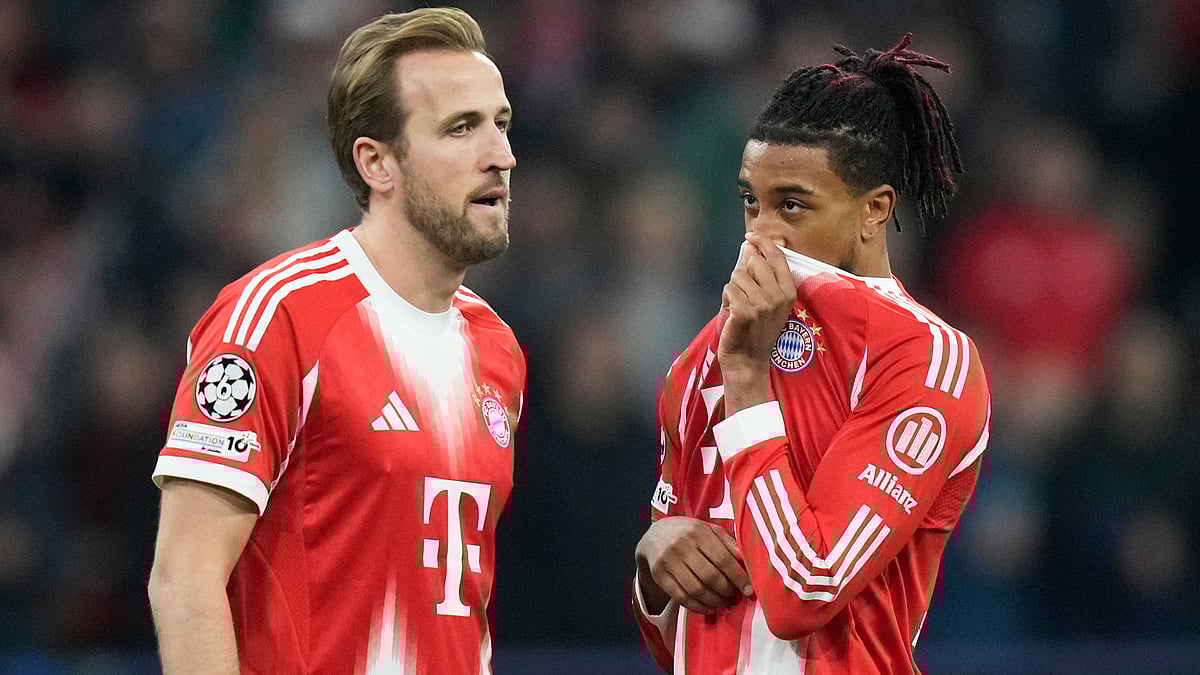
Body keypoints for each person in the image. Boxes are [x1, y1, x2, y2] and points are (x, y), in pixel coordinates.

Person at [147, 8, 524, 674]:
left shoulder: (498, 350)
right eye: (461, 128)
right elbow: (183, 580)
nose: (500, 154)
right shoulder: (277, 316)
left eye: (500, 123)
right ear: (377, 163)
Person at [633, 35, 990, 674]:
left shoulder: (925, 359)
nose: (761, 233)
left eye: (791, 205)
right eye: (751, 202)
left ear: (873, 211)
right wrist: (653, 569)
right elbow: (675, 645)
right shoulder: (698, 359)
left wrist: (747, 385)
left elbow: (808, 588)